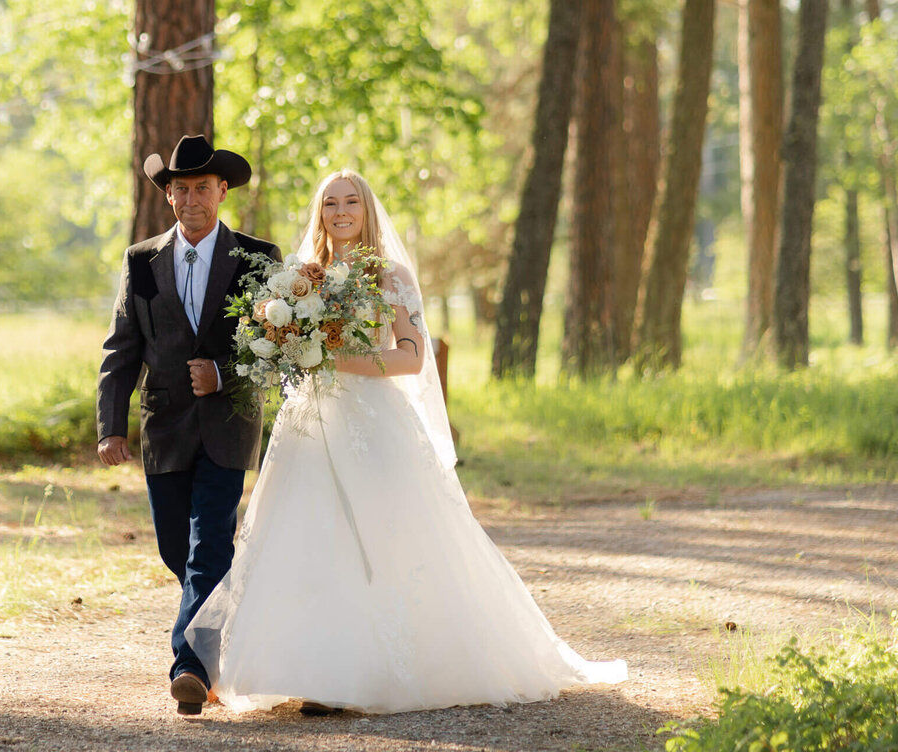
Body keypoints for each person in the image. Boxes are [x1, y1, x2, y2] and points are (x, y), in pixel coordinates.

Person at [184, 169, 627, 715]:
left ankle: (356, 675)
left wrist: (334, 358)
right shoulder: (301, 276)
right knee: (307, 536)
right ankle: (310, 670)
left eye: (351, 202)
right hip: (310, 424)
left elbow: (411, 356)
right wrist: (285, 347)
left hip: (374, 421)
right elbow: (279, 347)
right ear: (319, 213)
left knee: (379, 539)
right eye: (330, 204)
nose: (340, 212)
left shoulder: (391, 276)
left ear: (367, 210)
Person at [96, 134, 282, 716]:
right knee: (177, 548)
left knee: (209, 544)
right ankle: (222, 624)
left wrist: (221, 373)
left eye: (204, 187)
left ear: (222, 191)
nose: (193, 198)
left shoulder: (257, 258)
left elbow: (273, 347)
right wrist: (110, 425)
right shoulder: (141, 260)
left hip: (229, 424)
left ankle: (190, 667)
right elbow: (122, 347)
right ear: (168, 196)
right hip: (165, 428)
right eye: (182, 189)